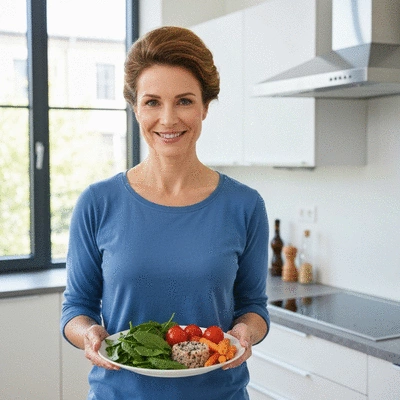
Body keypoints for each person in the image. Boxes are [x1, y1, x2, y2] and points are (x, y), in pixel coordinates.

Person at [61, 26, 270, 400]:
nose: (169, 119)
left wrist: (245, 334)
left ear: (205, 106)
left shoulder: (245, 205)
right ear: (135, 108)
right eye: (153, 102)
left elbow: (253, 307)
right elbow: (76, 308)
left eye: (185, 101)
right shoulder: (98, 202)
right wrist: (88, 334)